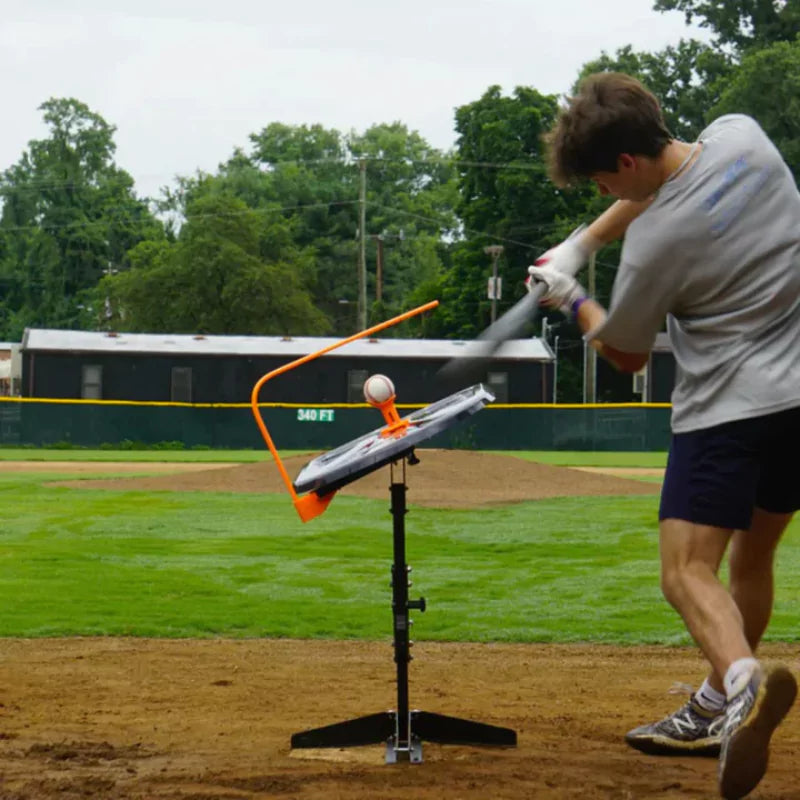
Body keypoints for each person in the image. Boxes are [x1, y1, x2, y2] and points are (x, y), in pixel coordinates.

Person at [527, 72, 799, 800]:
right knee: (752, 559)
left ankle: (741, 685)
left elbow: (626, 352)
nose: (600, 196)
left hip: (726, 412)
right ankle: (715, 704)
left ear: (622, 167)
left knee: (685, 573)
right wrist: (581, 242)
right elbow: (669, 183)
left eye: (596, 184)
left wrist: (572, 295)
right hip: (798, 401)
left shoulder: (654, 243)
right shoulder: (744, 137)